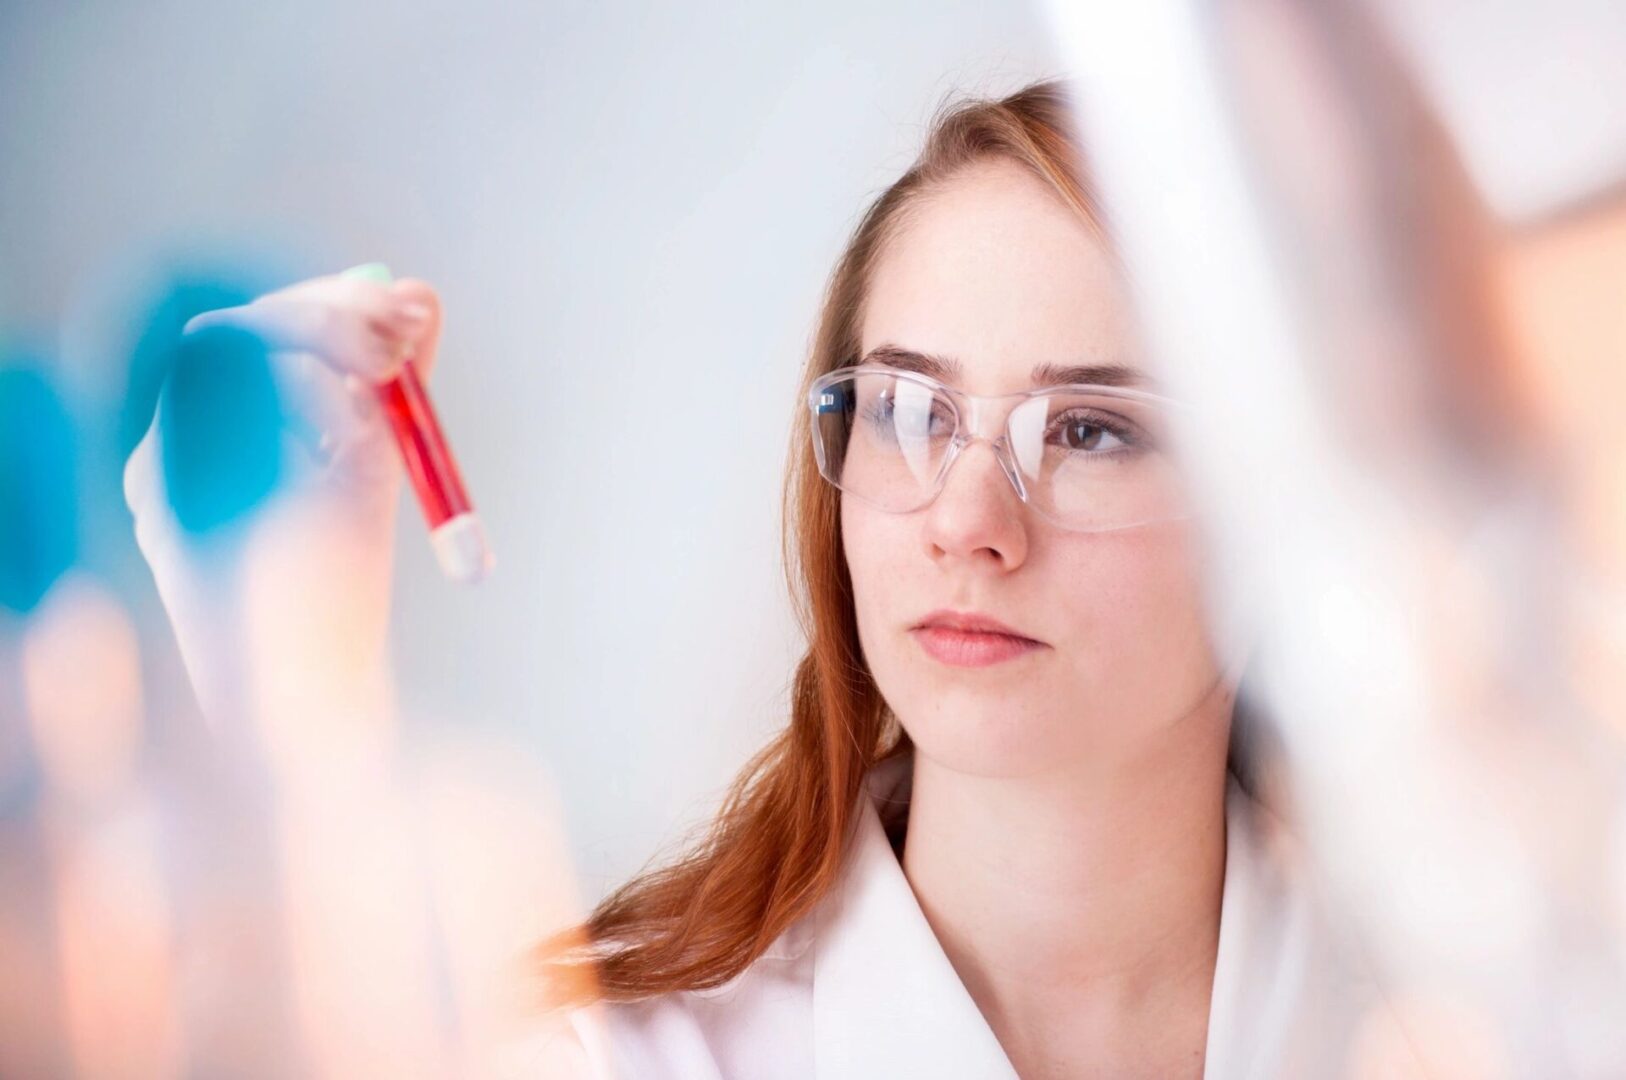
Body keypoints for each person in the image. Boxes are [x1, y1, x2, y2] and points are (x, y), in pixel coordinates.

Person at [131, 80, 1411, 1078]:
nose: (969, 524)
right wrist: (266, 714)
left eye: (1090, 429)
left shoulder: (1503, 1009)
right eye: (908, 410)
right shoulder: (615, 1057)